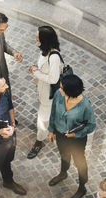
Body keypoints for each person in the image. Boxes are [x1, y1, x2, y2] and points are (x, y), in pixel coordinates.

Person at [48, 74, 96, 198]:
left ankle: (82, 187)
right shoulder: (59, 95)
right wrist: (50, 129)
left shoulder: (85, 105)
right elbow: (53, 112)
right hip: (60, 134)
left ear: (71, 90)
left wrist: (76, 134)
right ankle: (63, 173)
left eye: (62, 88)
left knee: (80, 162)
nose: (59, 89)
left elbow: (91, 125)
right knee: (64, 155)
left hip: (77, 140)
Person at [27, 26, 61, 159]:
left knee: (42, 120)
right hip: (42, 91)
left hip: (48, 94)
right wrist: (36, 69)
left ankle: (39, 141)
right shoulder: (44, 51)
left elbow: (53, 79)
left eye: (38, 37)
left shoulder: (53, 57)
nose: (36, 39)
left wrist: (36, 72)